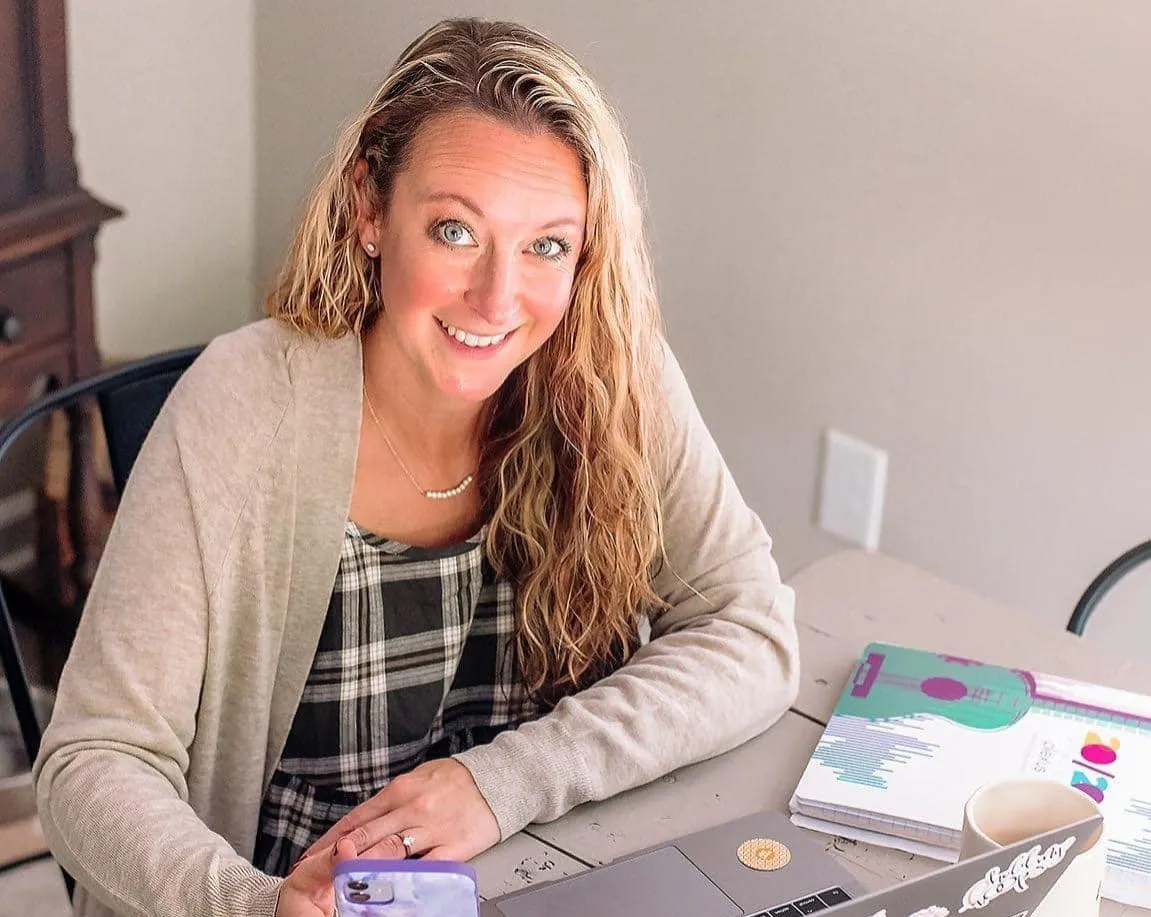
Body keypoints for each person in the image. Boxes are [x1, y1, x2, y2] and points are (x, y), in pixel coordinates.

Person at [33, 16, 799, 917]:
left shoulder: (612, 377)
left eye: (546, 244)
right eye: (454, 230)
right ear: (369, 210)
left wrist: (501, 781)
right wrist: (250, 902)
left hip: (537, 869)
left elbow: (748, 629)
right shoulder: (240, 407)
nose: (497, 298)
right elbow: (93, 762)